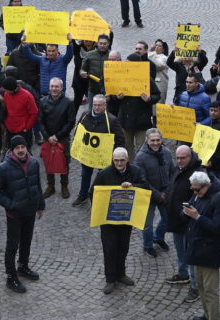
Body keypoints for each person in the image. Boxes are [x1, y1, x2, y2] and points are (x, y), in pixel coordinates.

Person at [0, 135, 44, 293]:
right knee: (12, 245)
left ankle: (23, 266)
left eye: (23, 147)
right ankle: (11, 277)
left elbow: (37, 185)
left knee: (27, 241)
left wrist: (40, 205)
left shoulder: (33, 162)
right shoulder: (4, 168)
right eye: (17, 148)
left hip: (30, 210)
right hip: (15, 214)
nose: (21, 150)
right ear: (12, 150)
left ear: (27, 148)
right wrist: (9, 204)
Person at [90, 148, 149, 294]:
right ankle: (110, 279)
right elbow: (93, 193)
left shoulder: (136, 171)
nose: (119, 163)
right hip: (108, 220)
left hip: (125, 218)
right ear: (112, 159)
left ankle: (121, 274)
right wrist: (102, 209)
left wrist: (133, 186)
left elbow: (146, 187)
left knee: (123, 247)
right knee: (109, 249)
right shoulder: (104, 174)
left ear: (127, 159)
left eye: (122, 160)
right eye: (116, 160)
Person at [184, 171, 220, 320]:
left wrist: (197, 217)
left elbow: (219, 228)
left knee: (211, 290)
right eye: (193, 189)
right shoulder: (198, 194)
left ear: (208, 185)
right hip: (197, 248)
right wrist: (186, 212)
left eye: (198, 189)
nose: (195, 193)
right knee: (202, 287)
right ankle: (207, 315)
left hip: (210, 250)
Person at [165, 146, 203, 303]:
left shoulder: (198, 174)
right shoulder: (178, 168)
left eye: (183, 158)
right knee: (180, 250)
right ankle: (183, 274)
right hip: (176, 220)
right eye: (177, 158)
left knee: (191, 255)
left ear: (190, 156)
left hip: (188, 222)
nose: (179, 161)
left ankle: (196, 287)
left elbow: (200, 197)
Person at [72, 94, 125, 206]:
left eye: (99, 105)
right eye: (95, 105)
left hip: (103, 157)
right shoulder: (84, 116)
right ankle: (83, 195)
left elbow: (120, 139)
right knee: (85, 175)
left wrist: (114, 155)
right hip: (88, 155)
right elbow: (78, 133)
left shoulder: (112, 120)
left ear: (105, 106)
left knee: (103, 177)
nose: (96, 108)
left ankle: (102, 198)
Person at [134, 128, 176, 257]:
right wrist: (158, 194)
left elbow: (173, 173)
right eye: (153, 140)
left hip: (165, 193)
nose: (156, 143)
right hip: (148, 195)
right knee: (147, 224)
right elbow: (142, 181)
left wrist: (167, 192)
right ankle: (148, 245)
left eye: (158, 140)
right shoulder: (140, 157)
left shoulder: (167, 153)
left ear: (161, 140)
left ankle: (158, 237)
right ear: (147, 140)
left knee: (168, 219)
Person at [39, 77, 75, 198]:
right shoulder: (43, 101)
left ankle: (64, 185)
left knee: (65, 162)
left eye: (57, 86)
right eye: (52, 86)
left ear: (62, 87)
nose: (54, 89)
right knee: (48, 162)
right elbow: (40, 121)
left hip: (63, 137)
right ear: (49, 87)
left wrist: (57, 136)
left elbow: (70, 122)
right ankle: (51, 186)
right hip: (48, 138)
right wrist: (48, 137)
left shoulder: (68, 102)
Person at [1, 77, 38, 148]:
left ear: (12, 89)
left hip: (23, 131)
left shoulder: (27, 96)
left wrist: (27, 128)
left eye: (6, 89)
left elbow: (34, 113)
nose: (4, 91)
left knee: (24, 153)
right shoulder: (6, 94)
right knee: (11, 152)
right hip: (10, 129)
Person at [80, 34, 111, 110]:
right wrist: (82, 73)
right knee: (91, 111)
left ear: (108, 44)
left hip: (107, 91)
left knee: (106, 111)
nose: (102, 46)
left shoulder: (111, 55)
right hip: (93, 89)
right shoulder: (89, 54)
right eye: (100, 43)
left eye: (104, 44)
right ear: (97, 43)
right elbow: (82, 69)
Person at [149, 39, 169, 104]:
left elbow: (157, 66)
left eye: (159, 46)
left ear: (163, 49)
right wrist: (150, 51)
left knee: (159, 102)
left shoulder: (164, 58)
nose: (156, 47)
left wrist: (153, 53)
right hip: (151, 81)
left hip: (160, 82)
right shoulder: (152, 54)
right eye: (156, 45)